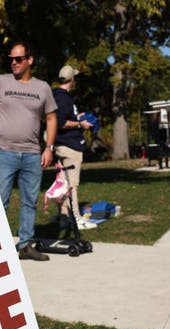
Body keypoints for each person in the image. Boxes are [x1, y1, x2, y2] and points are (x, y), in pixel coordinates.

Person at [0, 42, 58, 261]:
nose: (13, 62)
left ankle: (26, 246)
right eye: (11, 58)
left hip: (32, 154)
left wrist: (48, 148)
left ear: (30, 60)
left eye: (18, 59)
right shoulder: (1, 82)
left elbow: (51, 118)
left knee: (29, 202)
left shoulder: (42, 88)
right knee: (0, 201)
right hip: (4, 153)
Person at [51, 65, 95, 229]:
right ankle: (76, 219)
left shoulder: (57, 96)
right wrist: (79, 123)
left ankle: (64, 217)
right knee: (72, 185)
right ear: (71, 79)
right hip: (70, 146)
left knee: (63, 184)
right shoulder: (63, 98)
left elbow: (62, 117)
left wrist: (77, 116)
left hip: (62, 145)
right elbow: (61, 122)